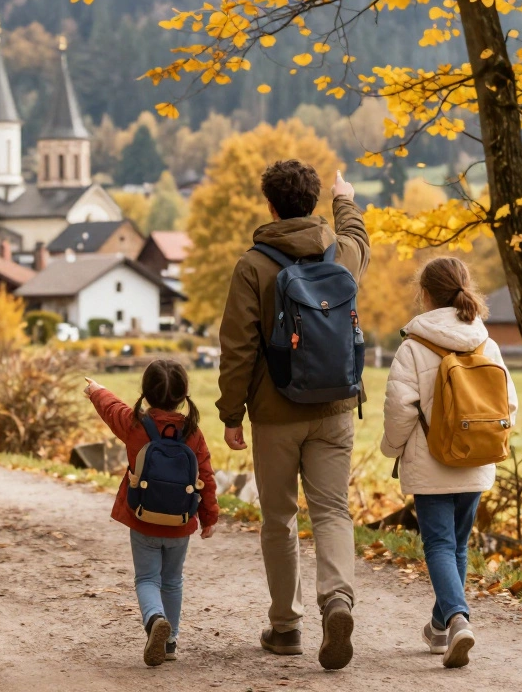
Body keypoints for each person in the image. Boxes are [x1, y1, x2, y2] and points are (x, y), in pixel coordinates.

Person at [216, 162, 369, 669]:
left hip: (275, 413)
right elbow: (357, 238)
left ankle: (286, 627)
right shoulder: (340, 254)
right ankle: (338, 600)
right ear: (312, 202)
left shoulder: (254, 266)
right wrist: (344, 199)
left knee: (279, 517)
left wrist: (231, 413)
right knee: (332, 510)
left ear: (271, 206)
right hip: (335, 407)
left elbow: (237, 347)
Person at [380, 257, 517, 669]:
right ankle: (440, 626)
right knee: (456, 544)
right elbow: (508, 403)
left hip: (431, 462)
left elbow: (400, 410)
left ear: (425, 294)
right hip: (477, 460)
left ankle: (458, 619)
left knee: (438, 544)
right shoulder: (486, 343)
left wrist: (392, 449)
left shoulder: (413, 346)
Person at [85, 360, 219, 668]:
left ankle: (155, 619)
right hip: (180, 523)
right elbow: (207, 478)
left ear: (145, 393)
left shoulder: (135, 425)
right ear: (184, 394)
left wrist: (96, 390)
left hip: (143, 518)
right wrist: (209, 518)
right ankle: (169, 642)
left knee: (147, 578)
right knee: (172, 581)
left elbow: (111, 408)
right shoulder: (193, 433)